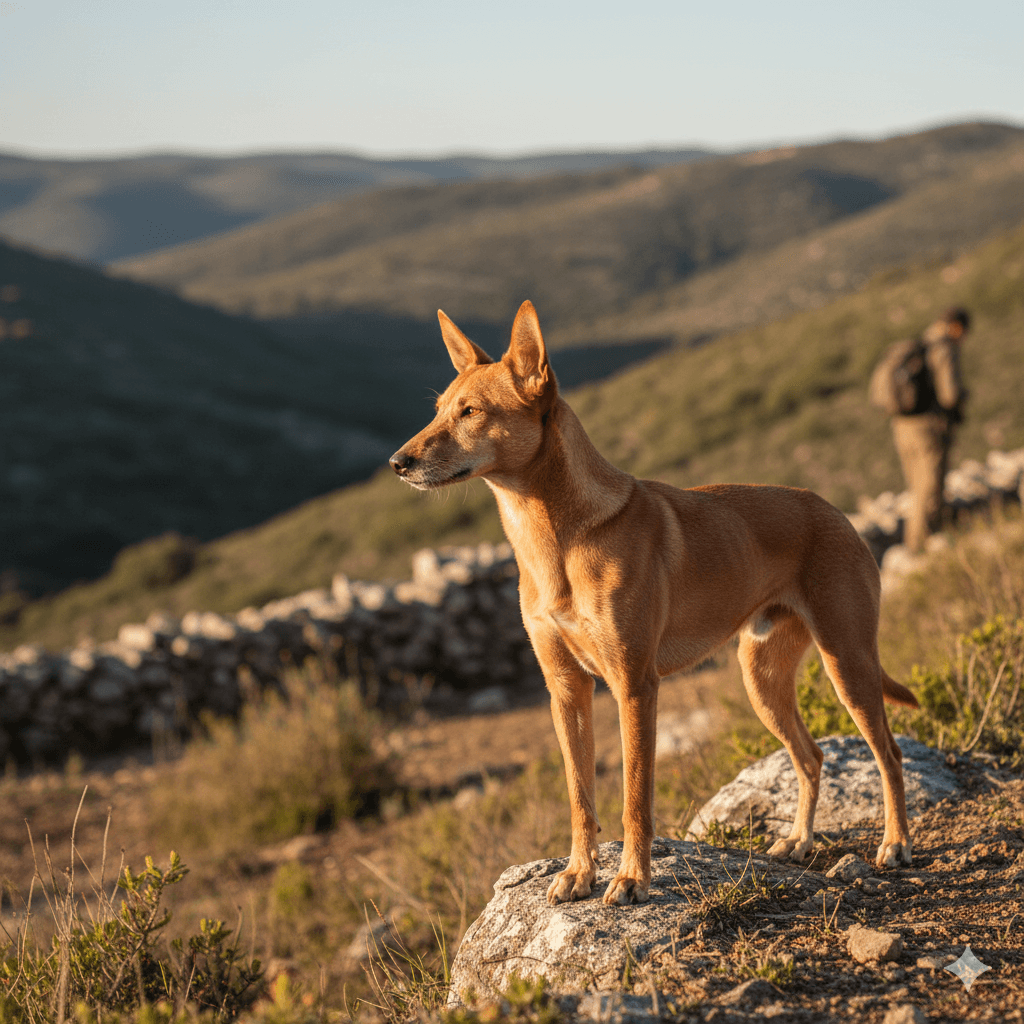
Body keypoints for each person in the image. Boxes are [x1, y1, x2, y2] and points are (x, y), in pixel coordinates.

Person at [873, 307, 971, 553]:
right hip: (928, 428)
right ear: (956, 327)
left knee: (915, 487)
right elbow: (950, 394)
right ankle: (921, 549)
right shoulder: (943, 347)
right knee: (929, 489)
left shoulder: (916, 345)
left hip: (902, 427)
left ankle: (914, 543)